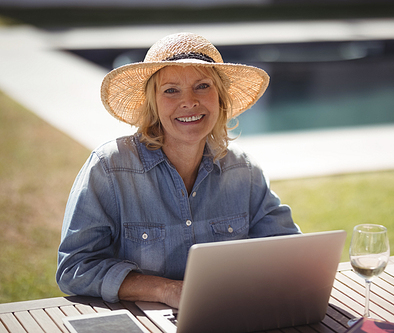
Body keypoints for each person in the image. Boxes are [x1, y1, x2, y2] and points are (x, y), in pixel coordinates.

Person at [56, 32, 300, 309]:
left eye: (202, 86)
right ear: (153, 104)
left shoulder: (243, 170)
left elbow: (290, 252)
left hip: (226, 316)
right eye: (171, 90)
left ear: (220, 98)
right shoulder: (110, 168)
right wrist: (166, 290)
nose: (189, 101)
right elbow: (75, 269)